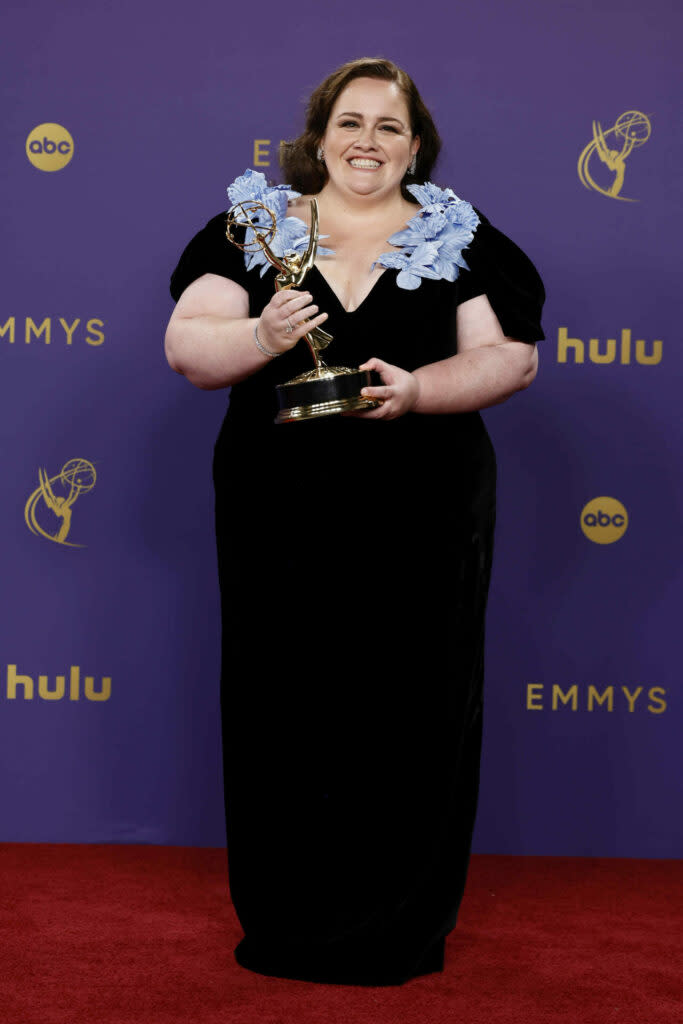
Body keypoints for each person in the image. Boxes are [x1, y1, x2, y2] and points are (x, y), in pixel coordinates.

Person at [165, 57, 545, 986]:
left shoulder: (463, 237)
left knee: (414, 711)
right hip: (276, 520)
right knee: (280, 709)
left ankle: (399, 928)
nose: (366, 141)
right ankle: (289, 922)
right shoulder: (250, 229)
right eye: (350, 122)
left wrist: (418, 390)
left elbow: (509, 361)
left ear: (415, 146)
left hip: (426, 522)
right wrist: (262, 336)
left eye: (387, 126)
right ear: (317, 135)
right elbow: (188, 347)